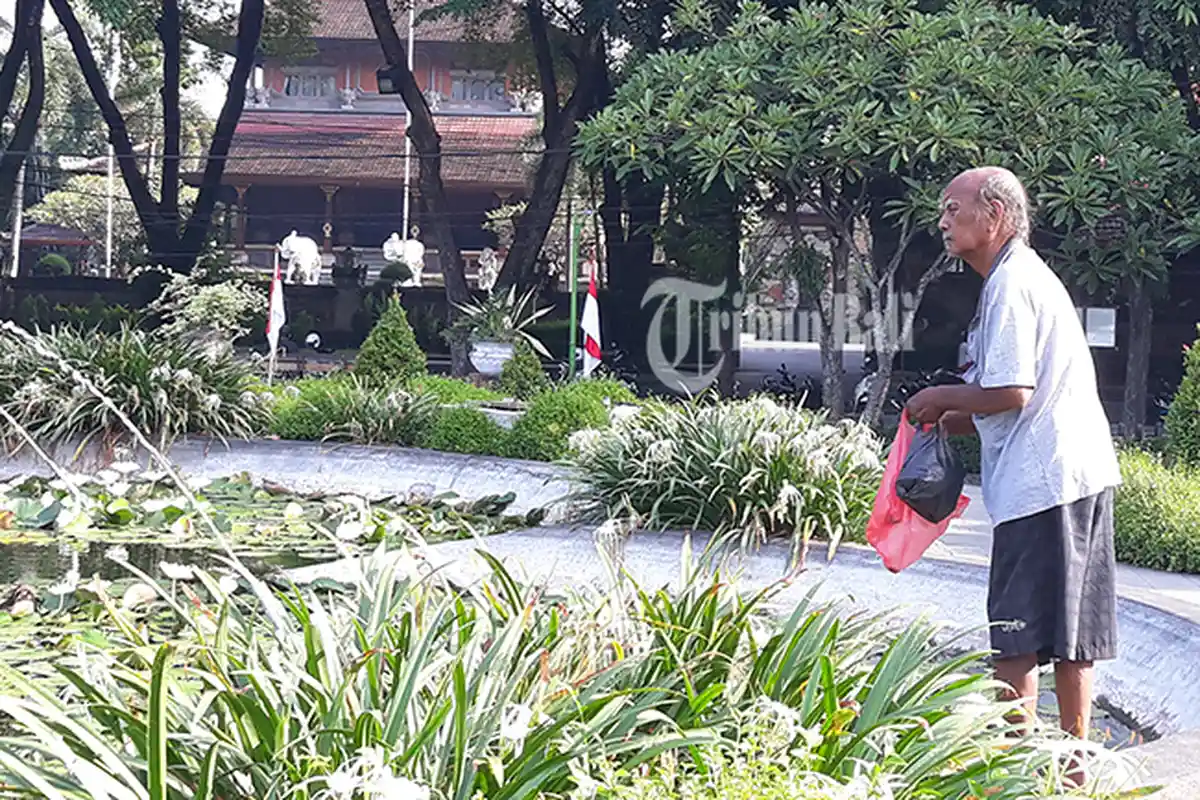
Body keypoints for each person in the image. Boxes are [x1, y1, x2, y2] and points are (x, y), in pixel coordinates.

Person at [905, 167, 1121, 774]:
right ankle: (1074, 773)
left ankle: (1013, 774)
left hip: (1045, 483)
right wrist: (949, 419)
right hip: (1068, 475)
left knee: (1016, 636)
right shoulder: (1018, 279)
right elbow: (1013, 398)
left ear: (995, 214)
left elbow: (1012, 390)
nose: (943, 221)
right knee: (1072, 635)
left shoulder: (1009, 285)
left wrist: (938, 396)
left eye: (954, 209)